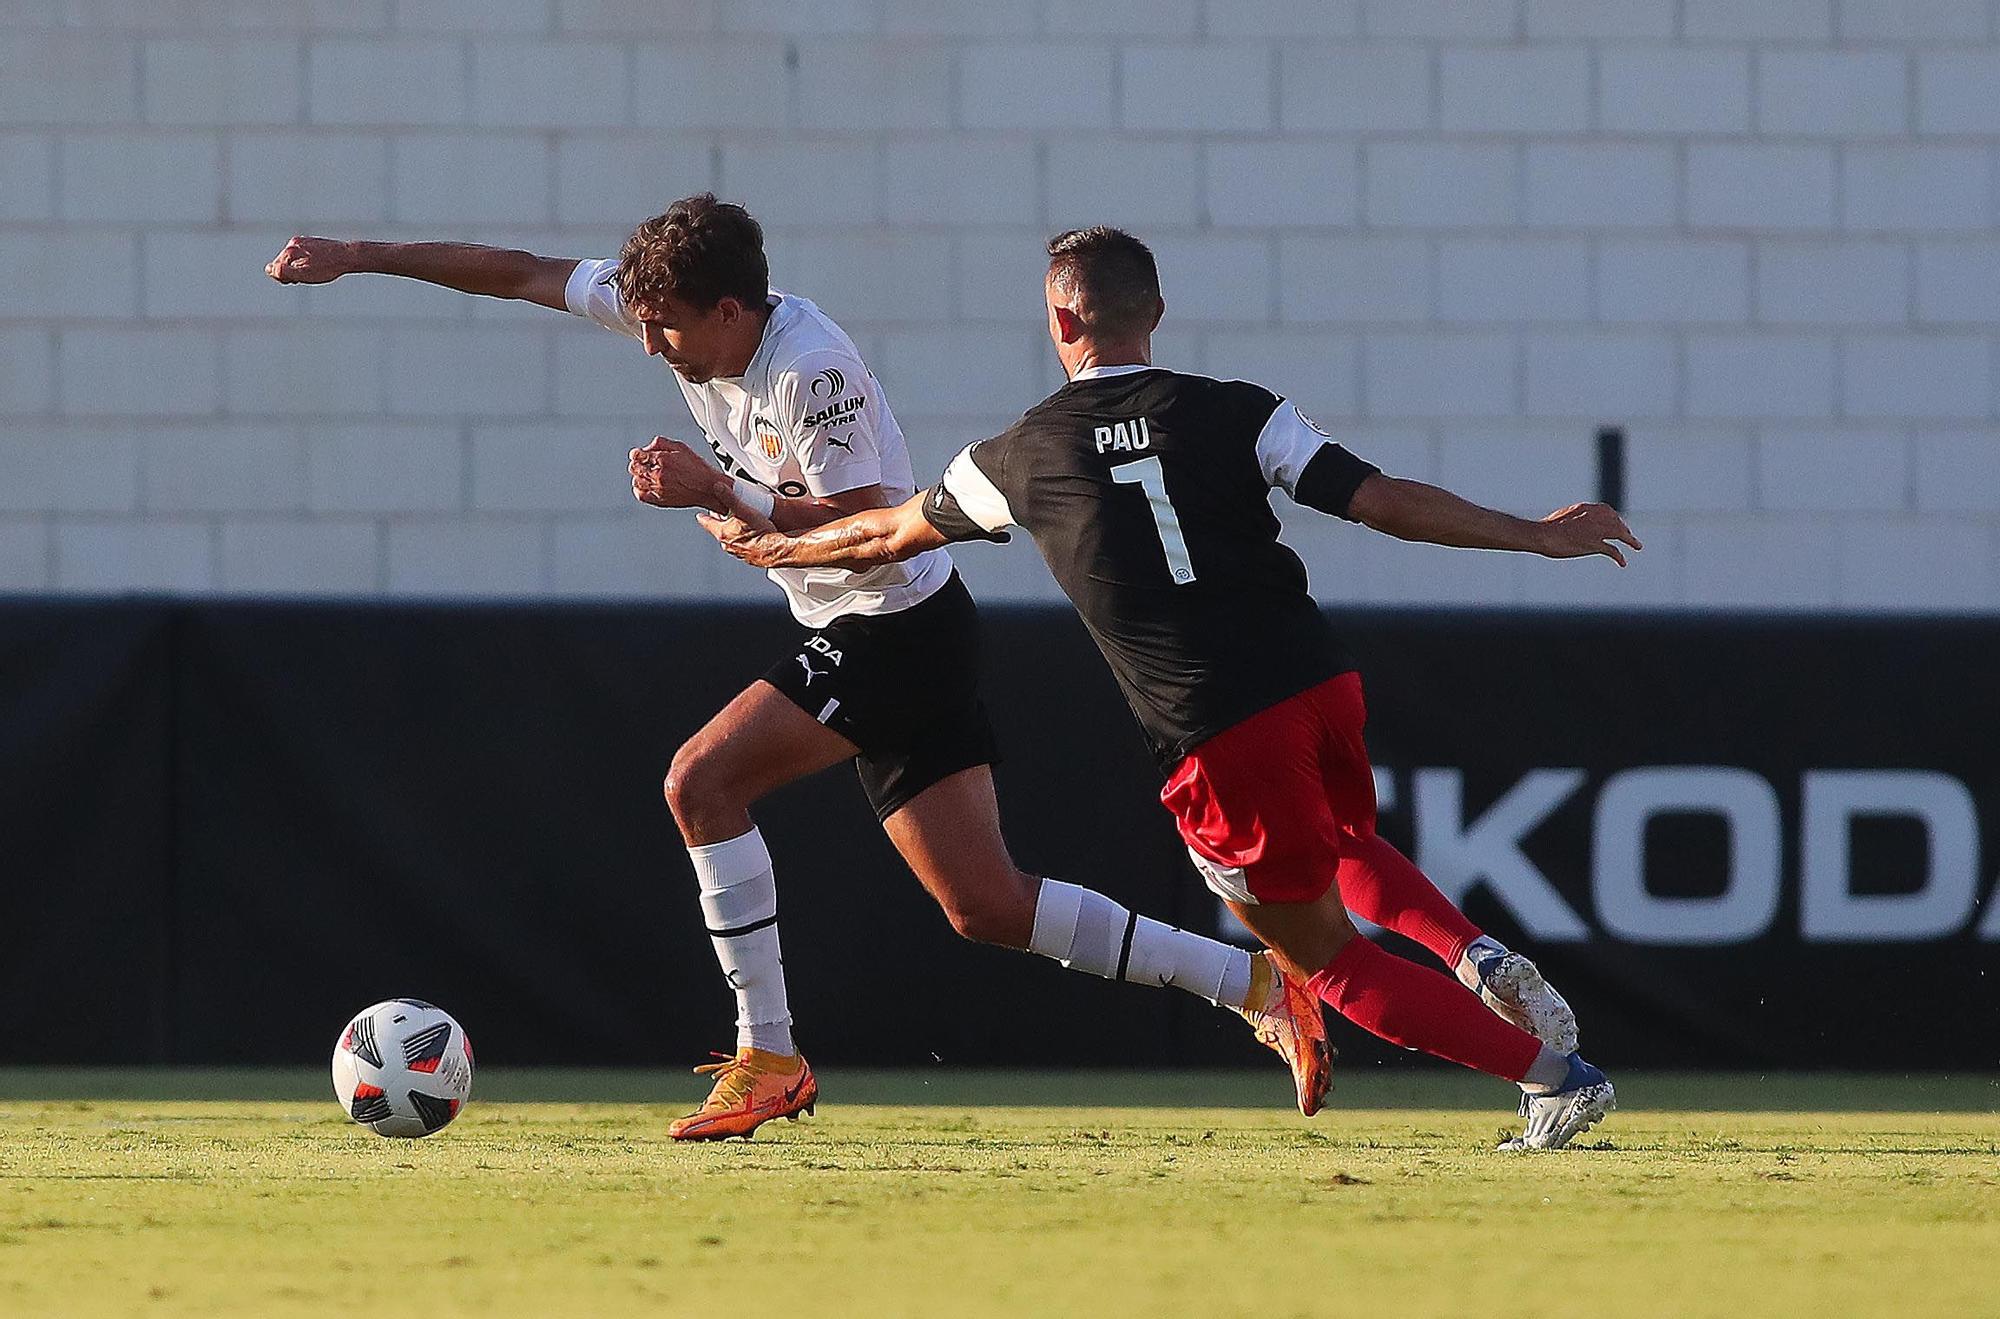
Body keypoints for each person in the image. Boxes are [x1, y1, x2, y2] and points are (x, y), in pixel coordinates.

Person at [266, 199, 1330, 1140]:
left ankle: (768, 1053)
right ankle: (1252, 984)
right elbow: (519, 271)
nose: (648, 343)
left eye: (667, 325)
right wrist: (358, 253)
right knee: (988, 906)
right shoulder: (679, 316)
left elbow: (879, 520)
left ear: (731, 309)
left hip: (890, 628)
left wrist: (718, 492)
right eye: (640, 319)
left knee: (702, 780)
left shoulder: (807, 367)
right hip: (914, 634)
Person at [698, 226, 1637, 1150]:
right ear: (1154, 313)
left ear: (1061, 320)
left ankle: (1554, 1080)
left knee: (1324, 962)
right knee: (1346, 842)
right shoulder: (1238, 409)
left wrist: (772, 542)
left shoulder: (1020, 453)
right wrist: (1536, 534)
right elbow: (1381, 498)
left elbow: (881, 535)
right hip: (1318, 681)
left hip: (1216, 726)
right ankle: (1475, 952)